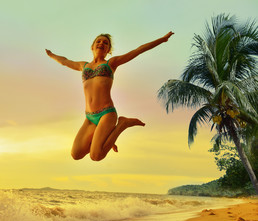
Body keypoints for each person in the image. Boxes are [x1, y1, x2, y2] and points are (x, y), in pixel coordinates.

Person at [46, 31, 174, 161]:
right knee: (76, 154)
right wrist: (51, 55)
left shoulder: (111, 63)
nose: (102, 43)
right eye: (99, 41)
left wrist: (162, 40)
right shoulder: (83, 66)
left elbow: (138, 51)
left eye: (105, 43)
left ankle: (122, 124)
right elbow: (64, 61)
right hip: (89, 118)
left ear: (108, 50)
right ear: (92, 46)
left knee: (96, 156)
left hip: (107, 114)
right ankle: (106, 137)